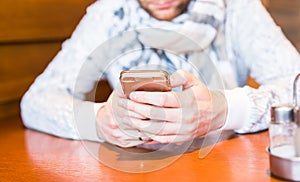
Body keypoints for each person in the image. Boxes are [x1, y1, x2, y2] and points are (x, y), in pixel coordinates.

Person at [21, 0, 300, 148]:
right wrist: (98, 122)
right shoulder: (110, 12)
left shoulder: (237, 7)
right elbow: (36, 101)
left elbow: (295, 81)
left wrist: (225, 110)